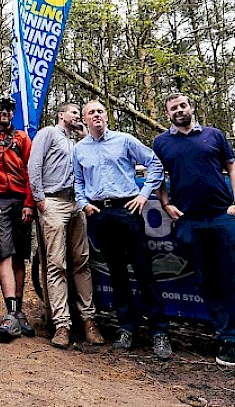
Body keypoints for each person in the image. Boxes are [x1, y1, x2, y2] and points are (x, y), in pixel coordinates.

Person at [153, 93, 235, 373]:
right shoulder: (161, 143)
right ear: (167, 114)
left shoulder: (214, 135)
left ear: (191, 107)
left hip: (223, 217)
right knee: (209, 283)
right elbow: (156, 176)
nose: (179, 110)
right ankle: (226, 340)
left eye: (183, 105)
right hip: (189, 221)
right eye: (173, 108)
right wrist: (165, 204)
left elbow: (233, 167)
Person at [73, 100, 173, 360]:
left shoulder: (124, 140)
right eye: (91, 112)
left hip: (128, 209)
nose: (97, 115)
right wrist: (83, 203)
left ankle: (159, 331)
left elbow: (155, 164)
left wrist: (144, 194)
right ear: (84, 119)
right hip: (99, 214)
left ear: (107, 116)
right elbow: (77, 181)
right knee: (116, 272)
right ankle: (126, 327)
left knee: (143, 269)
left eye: (100, 111)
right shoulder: (79, 149)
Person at [28, 103, 104, 349]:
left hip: (77, 203)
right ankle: (62, 324)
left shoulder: (78, 142)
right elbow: (34, 165)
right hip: (53, 202)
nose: (77, 116)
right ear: (61, 115)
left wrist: (85, 136)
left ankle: (89, 321)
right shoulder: (48, 133)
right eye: (74, 112)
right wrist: (39, 199)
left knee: (82, 262)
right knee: (56, 264)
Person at [0, 94, 34, 342]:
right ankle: (11, 312)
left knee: (20, 256)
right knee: (4, 253)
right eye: (1, 108)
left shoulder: (22, 138)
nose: (5, 112)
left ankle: (18, 311)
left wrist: (29, 203)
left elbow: (32, 170)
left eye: (9, 109)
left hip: (21, 200)